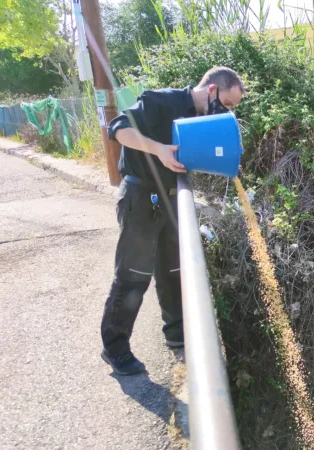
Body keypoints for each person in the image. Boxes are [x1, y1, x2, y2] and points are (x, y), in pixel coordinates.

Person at [100, 66, 245, 376]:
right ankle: (115, 349)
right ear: (211, 91)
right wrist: (160, 150)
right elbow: (118, 128)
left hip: (170, 199)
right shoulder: (160, 102)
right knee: (133, 276)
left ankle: (177, 335)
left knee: (172, 270)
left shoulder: (199, 119)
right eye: (228, 104)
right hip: (141, 198)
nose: (226, 111)